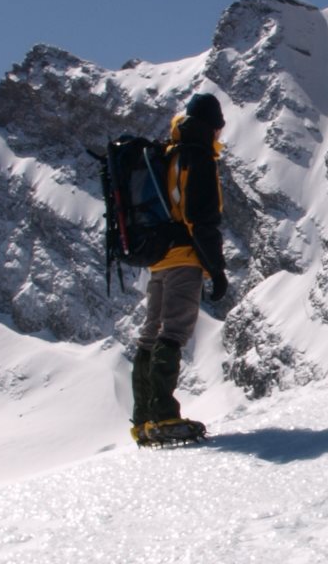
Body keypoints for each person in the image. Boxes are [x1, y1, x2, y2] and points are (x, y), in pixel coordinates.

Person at [130, 92, 229, 445]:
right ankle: (164, 416)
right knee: (173, 332)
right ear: (213, 125)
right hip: (184, 258)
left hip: (158, 258)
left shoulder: (169, 152)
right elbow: (200, 218)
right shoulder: (198, 156)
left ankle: (143, 419)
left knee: (150, 333)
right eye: (220, 127)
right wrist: (215, 269)